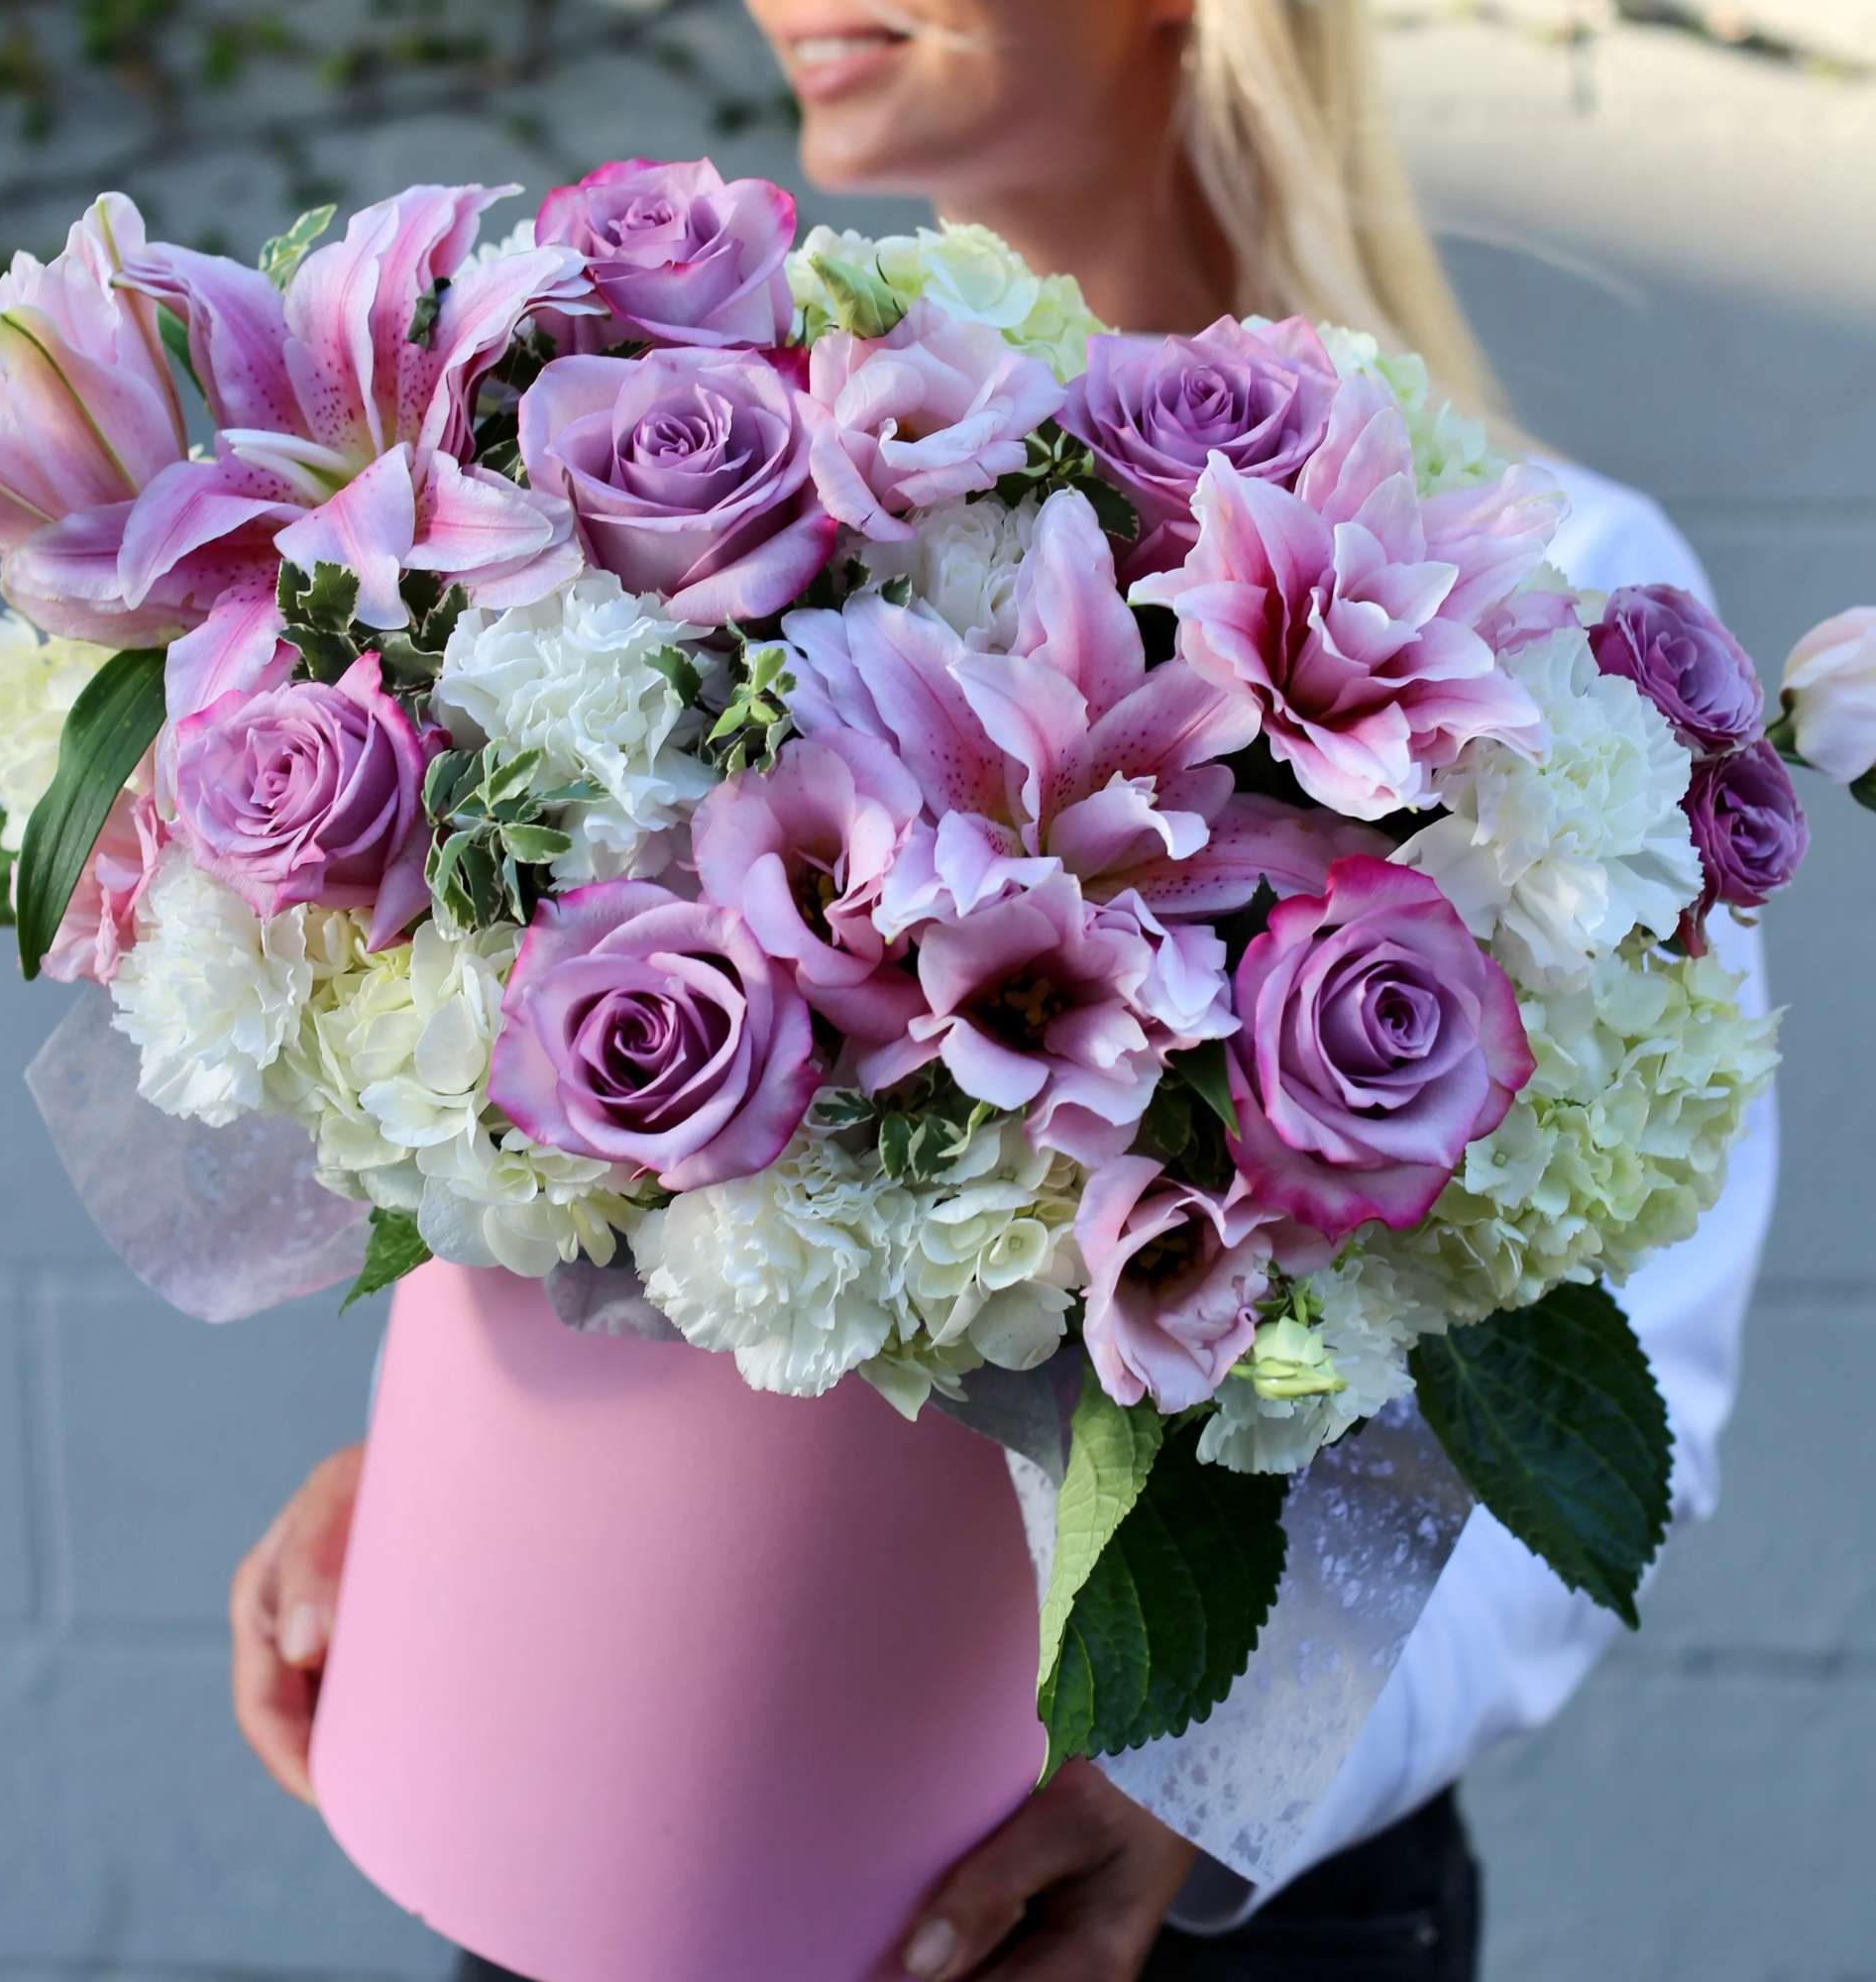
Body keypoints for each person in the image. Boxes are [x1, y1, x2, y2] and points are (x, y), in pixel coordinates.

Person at [230, 4, 1779, 1977]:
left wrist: (1208, 1776)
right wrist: (461, 1484)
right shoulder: (711, 512)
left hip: (1162, 1917)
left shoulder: (1544, 608)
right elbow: (628, 1165)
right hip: (643, 1827)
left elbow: (1636, 1371)